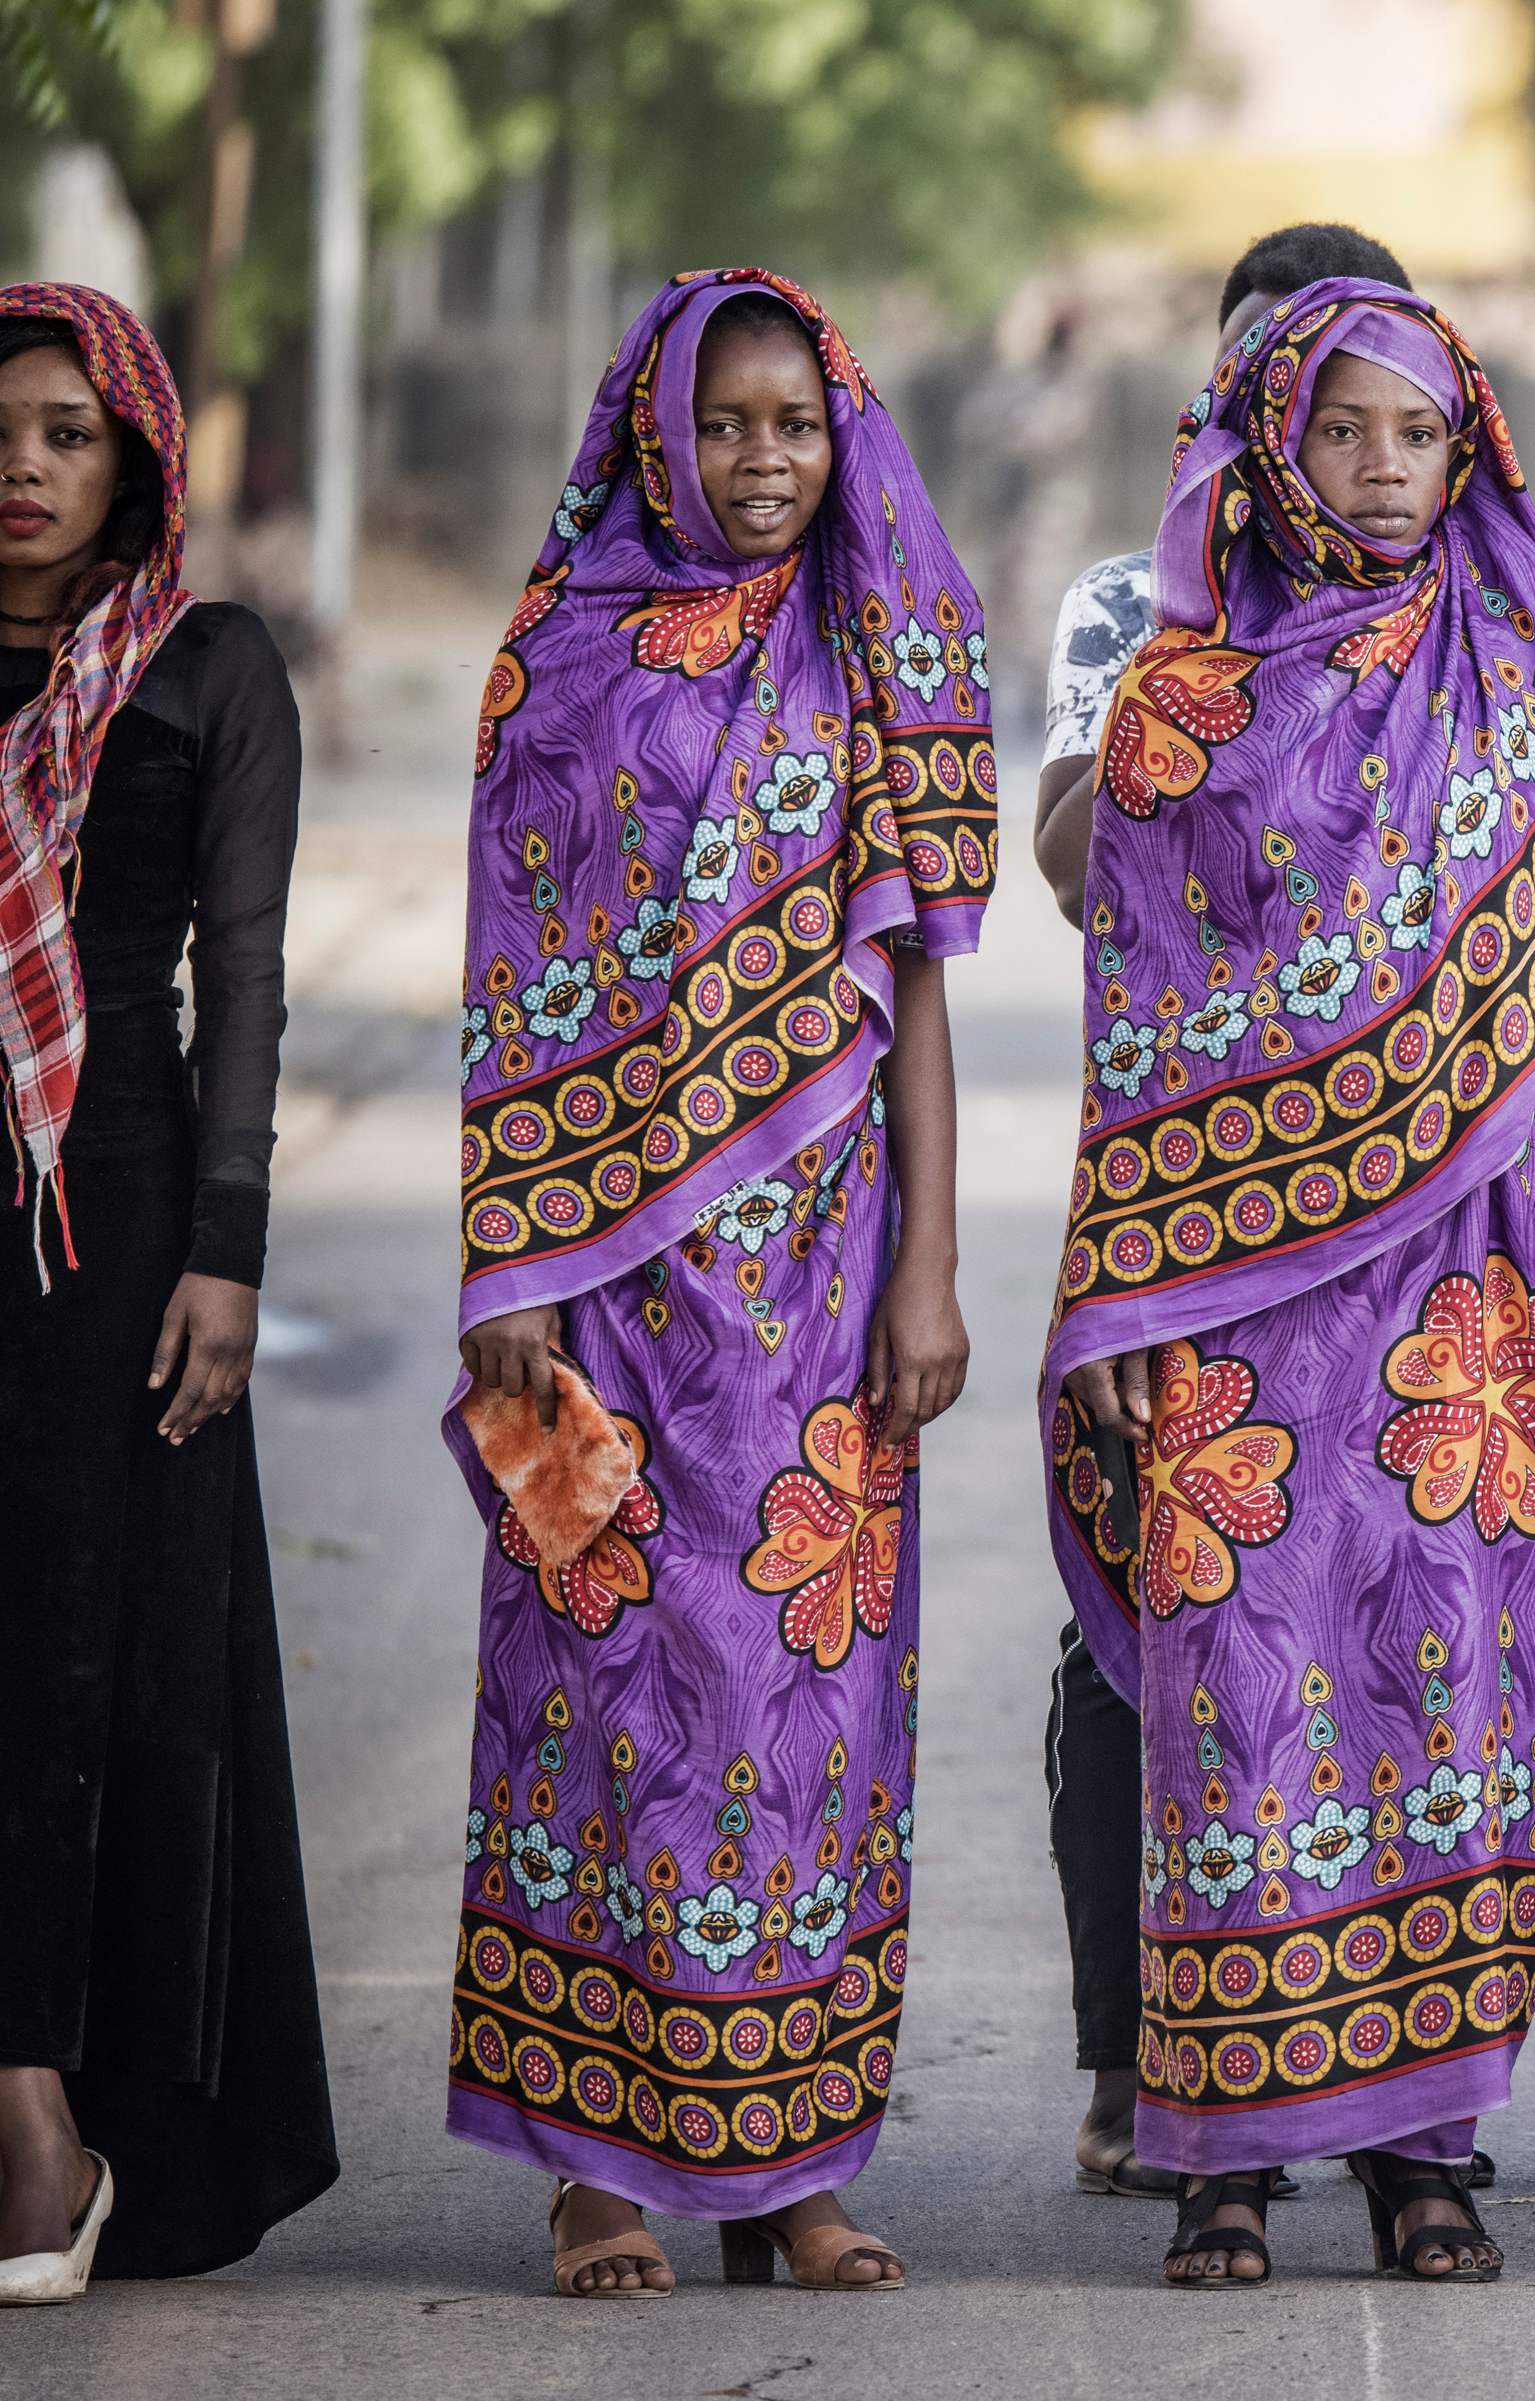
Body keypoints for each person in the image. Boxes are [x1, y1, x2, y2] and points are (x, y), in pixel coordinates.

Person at [1037, 278, 1535, 2288]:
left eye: (1416, 433)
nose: (1377, 466)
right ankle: (1226, 2163)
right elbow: (1142, 1026)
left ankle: (1427, 2148)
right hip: (1240, 1286)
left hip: (1480, 1275)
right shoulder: (1178, 703)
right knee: (1250, 1706)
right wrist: (1115, 1285)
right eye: (1341, 428)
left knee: (1467, 1692)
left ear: (1469, 452)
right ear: (1270, 444)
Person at [446, 270, 991, 2297]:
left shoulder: (871, 661)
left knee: (810, 1704)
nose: (764, 462)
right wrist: (513, 1247)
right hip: (600, 1278)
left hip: (828, 1282)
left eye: (797, 426)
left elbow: (914, 981)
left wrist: (929, 1265)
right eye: (728, 424)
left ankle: (785, 2161)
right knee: (600, 1691)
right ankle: (597, 2166)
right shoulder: (557, 663)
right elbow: (509, 968)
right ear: (657, 432)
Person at [1027, 220, 1427, 2205]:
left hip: (1402, 1216)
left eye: (1376, 392)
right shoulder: (1129, 599)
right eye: (1288, 373)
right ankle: (1129, 2065)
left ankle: (1365, 2074)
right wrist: (1211, 652)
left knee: (1378, 1626)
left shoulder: (1468, 616)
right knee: (1137, 1638)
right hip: (1180, 1198)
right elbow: (1079, 865)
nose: (1332, 429)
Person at [0, 283, 332, 2302]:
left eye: (62, 430)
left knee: (81, 1652)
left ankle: (43, 2116)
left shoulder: (206, 668)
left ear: (128, 455)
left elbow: (248, 978)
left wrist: (231, 1249)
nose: (22, 465)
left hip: (116, 1219)